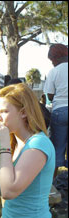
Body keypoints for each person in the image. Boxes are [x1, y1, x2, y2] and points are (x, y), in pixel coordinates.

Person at [0, 83, 55, 218]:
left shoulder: (38, 144)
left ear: (23, 112)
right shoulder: (17, 143)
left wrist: (4, 145)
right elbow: (3, 188)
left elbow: (9, 192)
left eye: (4, 112)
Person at [43, 43, 68, 178]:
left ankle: (51, 186)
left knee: (56, 150)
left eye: (51, 60)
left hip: (60, 111)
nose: (52, 63)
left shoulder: (54, 72)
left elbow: (50, 96)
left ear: (55, 58)